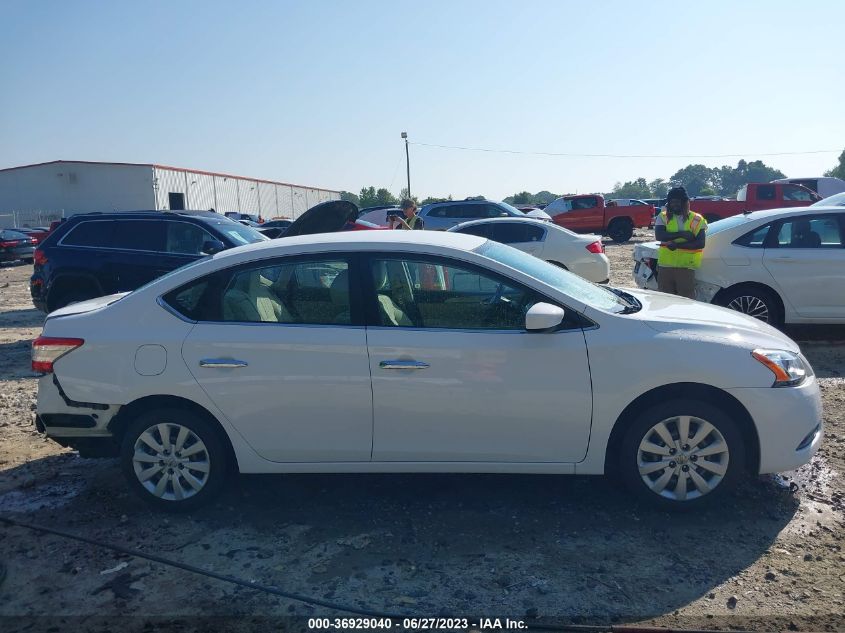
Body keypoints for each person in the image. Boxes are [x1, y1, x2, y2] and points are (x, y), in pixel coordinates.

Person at [654, 186, 707, 299]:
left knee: (685, 302)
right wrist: (682, 234)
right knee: (664, 301)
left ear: (685, 202)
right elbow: (659, 235)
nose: (674, 204)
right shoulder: (663, 216)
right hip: (665, 267)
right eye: (671, 201)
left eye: (677, 202)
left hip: (686, 267)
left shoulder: (697, 219)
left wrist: (677, 245)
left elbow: (700, 243)